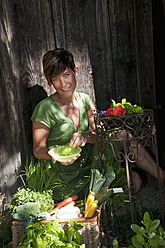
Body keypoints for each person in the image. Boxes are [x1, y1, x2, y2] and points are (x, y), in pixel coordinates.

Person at [31, 48, 165, 202]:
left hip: (89, 164)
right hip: (64, 176)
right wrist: (57, 156)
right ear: (50, 81)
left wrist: (85, 136)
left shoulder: (85, 100)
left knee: (132, 170)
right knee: (128, 184)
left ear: (75, 71)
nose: (63, 83)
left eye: (66, 75)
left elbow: (102, 135)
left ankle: (162, 177)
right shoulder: (45, 108)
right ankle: (96, 203)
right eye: (55, 79)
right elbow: (38, 150)